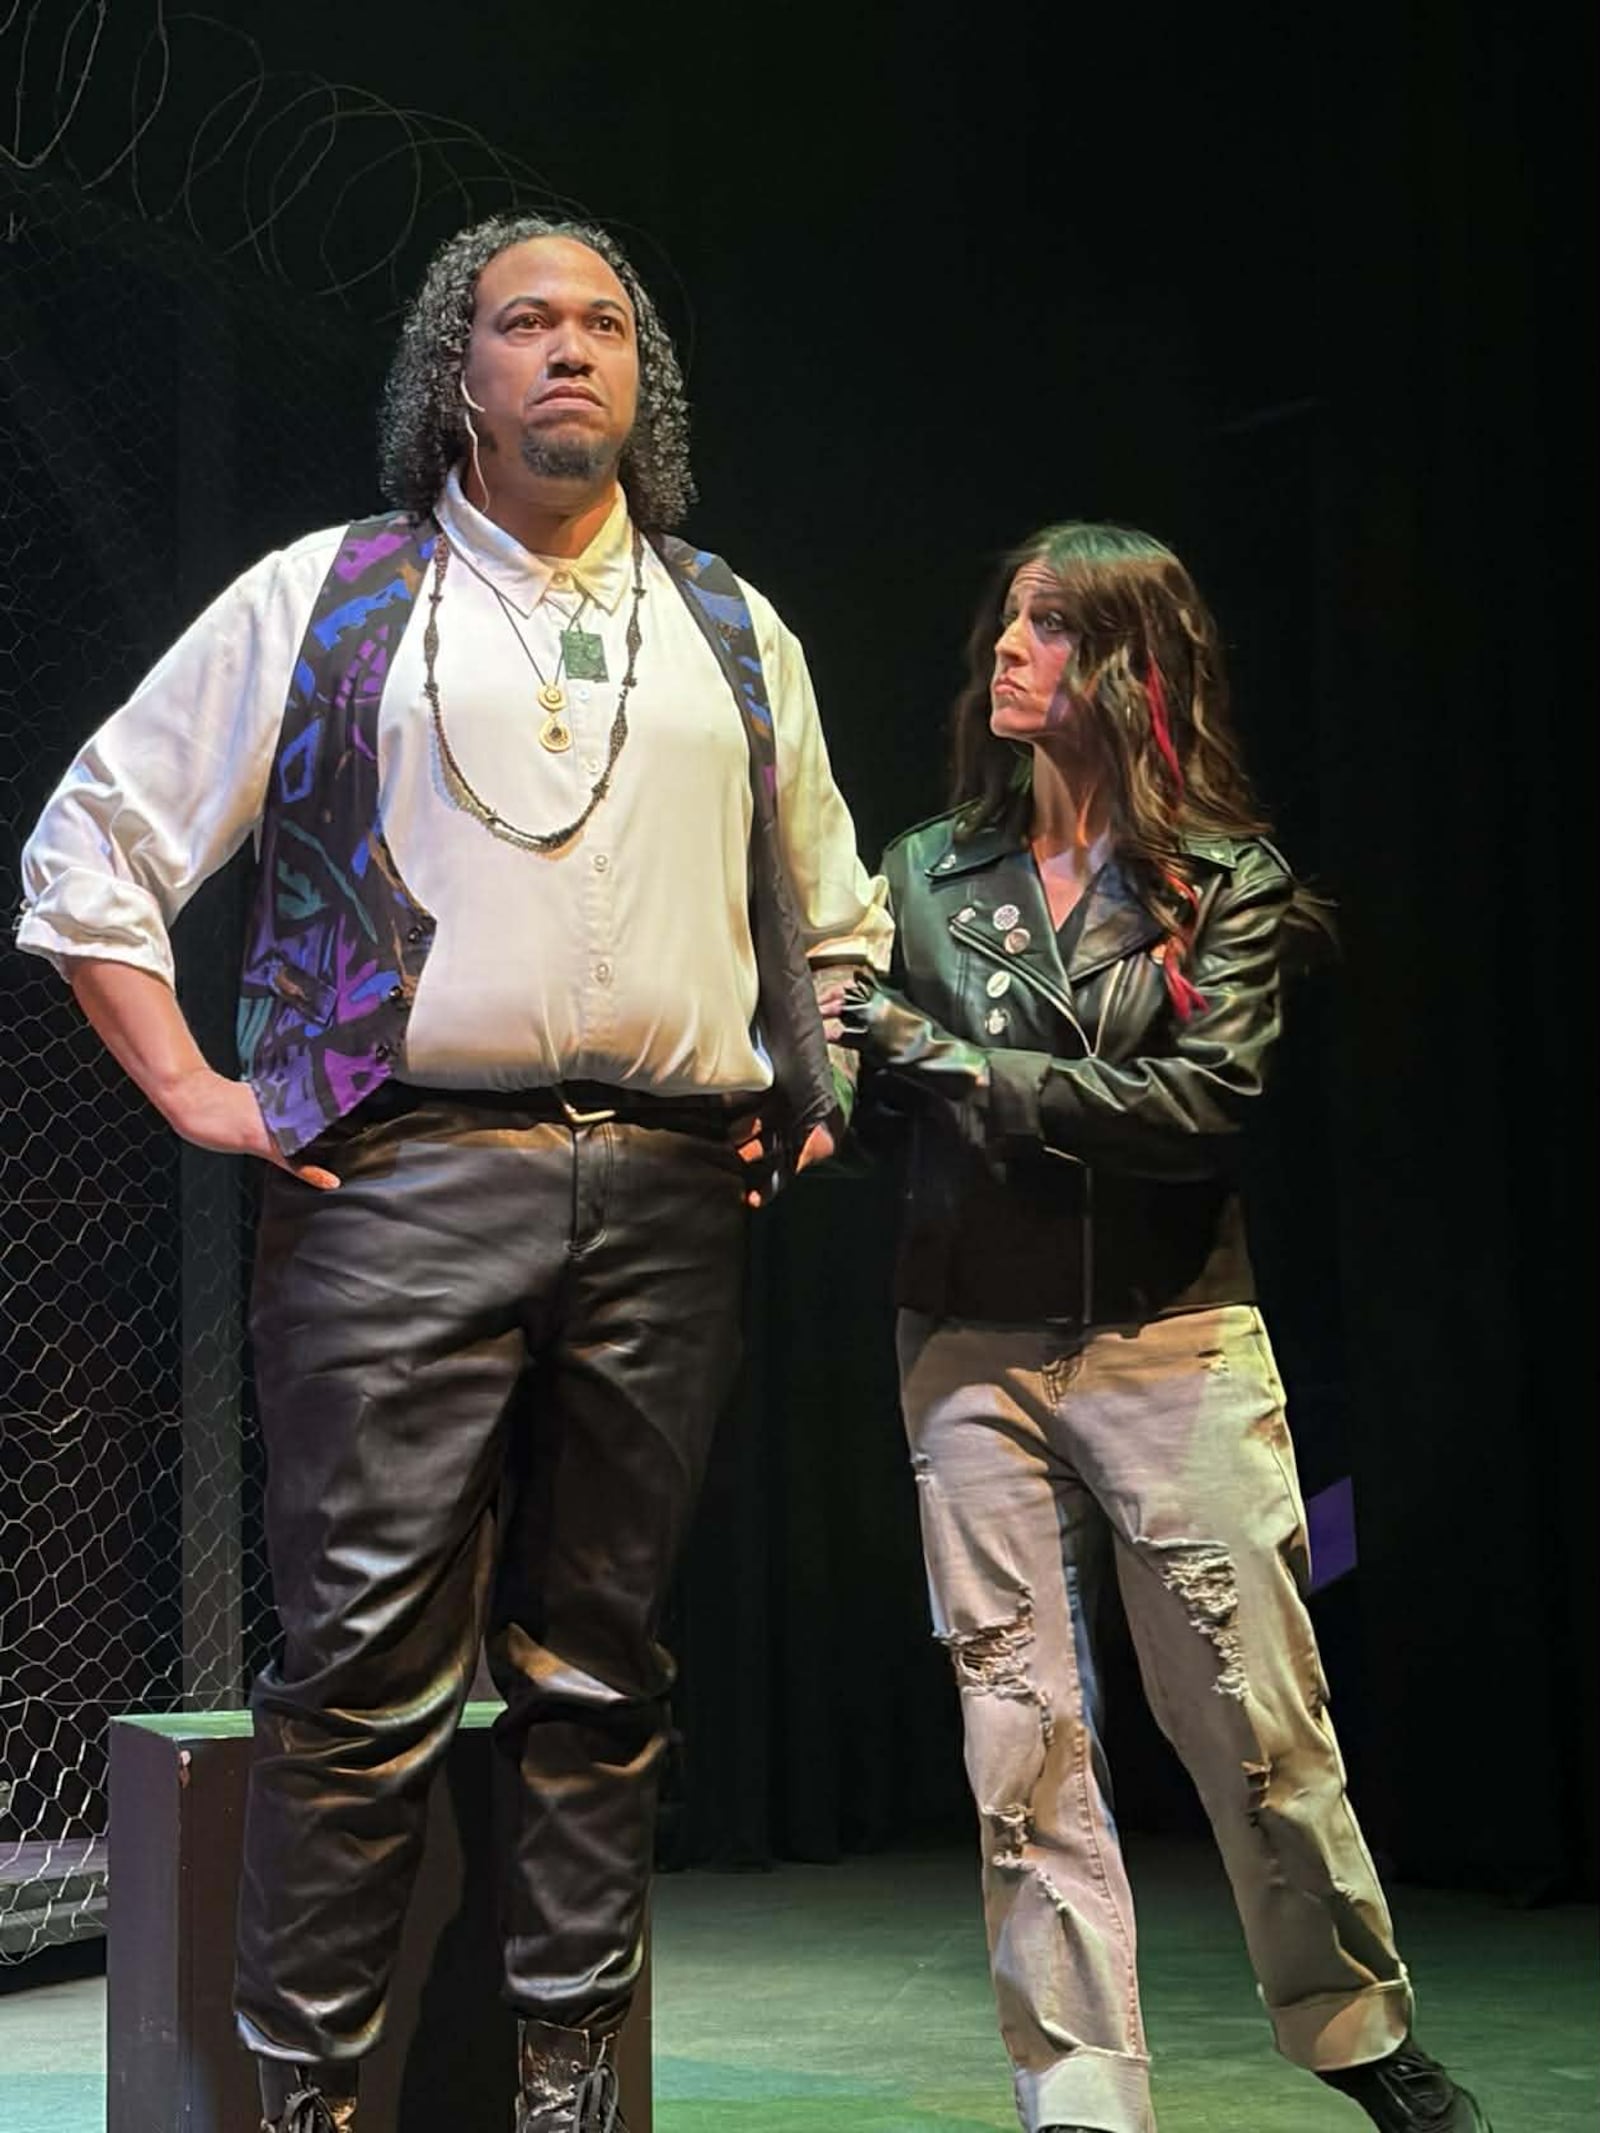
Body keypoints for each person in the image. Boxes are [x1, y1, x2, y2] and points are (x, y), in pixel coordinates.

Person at [16, 212, 889, 2133]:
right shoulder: (330, 595)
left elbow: (837, 907)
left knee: (601, 1673)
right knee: (355, 1685)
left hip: (669, 1194)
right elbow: (93, 843)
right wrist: (199, 1089)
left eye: (601, 322)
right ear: (456, 372)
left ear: (640, 373)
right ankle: (309, 2108)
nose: (569, 349)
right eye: (525, 323)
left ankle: (569, 2097)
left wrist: (814, 1067)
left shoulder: (729, 627)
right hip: (398, 1187)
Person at [824, 523, 1488, 2133]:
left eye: (1049, 627)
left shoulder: (1224, 884)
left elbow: (1203, 1106)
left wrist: (962, 1069)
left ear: (1129, 667)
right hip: (967, 1347)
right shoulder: (920, 874)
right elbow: (844, 1062)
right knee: (1022, 1738)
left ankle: (1354, 2030)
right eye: (1006, 618)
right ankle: (1084, 2096)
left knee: (1259, 1719)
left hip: (1175, 1340)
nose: (1007, 647)